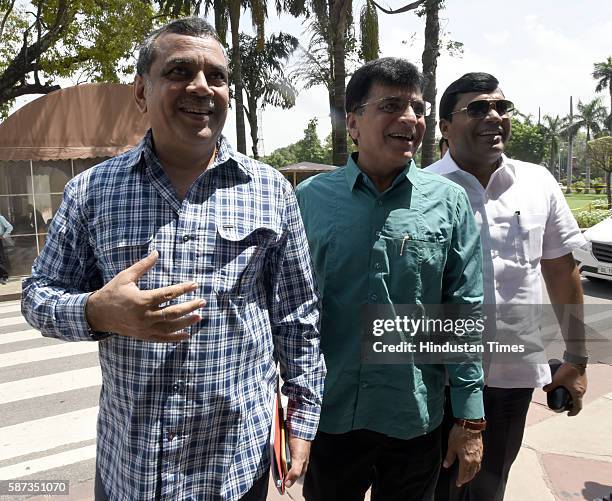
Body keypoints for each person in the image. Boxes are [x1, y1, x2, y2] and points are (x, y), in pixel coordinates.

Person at [21, 17, 325, 501]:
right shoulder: (92, 191)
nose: (202, 87)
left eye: (217, 76)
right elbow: (36, 296)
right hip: (133, 467)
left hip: (233, 465)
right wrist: (97, 312)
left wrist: (303, 421)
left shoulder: (270, 192)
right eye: (180, 71)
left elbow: (296, 317)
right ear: (142, 91)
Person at [296, 58, 486, 501]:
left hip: (414, 416)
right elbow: (289, 311)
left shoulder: (449, 202)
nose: (410, 119)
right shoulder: (309, 201)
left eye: (418, 109)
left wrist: (469, 419)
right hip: (330, 415)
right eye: (392, 105)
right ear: (354, 122)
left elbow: (464, 310)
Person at [425, 72, 588, 501]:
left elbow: (560, 269)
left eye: (501, 106)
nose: (494, 116)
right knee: (435, 490)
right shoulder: (421, 190)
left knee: (490, 487)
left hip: (511, 377)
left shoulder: (538, 182)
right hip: (436, 381)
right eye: (477, 108)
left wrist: (577, 358)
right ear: (444, 126)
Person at [0, 213, 13, 284]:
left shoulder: (0, 218)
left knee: (1, 259)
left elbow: (9, 227)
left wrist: (4, 236)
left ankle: (4, 277)